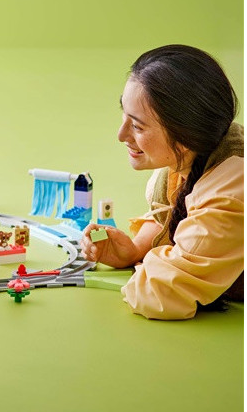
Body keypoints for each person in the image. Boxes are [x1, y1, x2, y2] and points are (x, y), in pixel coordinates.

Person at [80, 45, 243, 320]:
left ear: (184, 135)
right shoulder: (190, 156)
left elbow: (158, 293)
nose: (121, 135)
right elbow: (172, 213)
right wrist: (134, 250)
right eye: (124, 114)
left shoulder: (229, 193)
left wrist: (148, 267)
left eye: (137, 126)